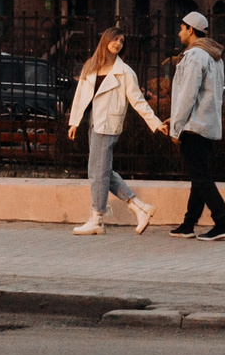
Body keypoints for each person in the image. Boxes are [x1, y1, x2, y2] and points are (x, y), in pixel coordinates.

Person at [65, 26, 164, 235]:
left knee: (97, 172)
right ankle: (139, 207)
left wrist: (155, 123)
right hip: (94, 123)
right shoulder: (90, 66)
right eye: (116, 39)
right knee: (102, 171)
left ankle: (97, 218)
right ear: (106, 40)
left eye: (122, 41)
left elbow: (139, 102)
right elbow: (80, 95)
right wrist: (74, 122)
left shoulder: (125, 72)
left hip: (109, 125)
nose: (118, 43)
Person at [164, 10, 225, 240]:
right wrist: (174, 119)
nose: (179, 32)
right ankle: (188, 224)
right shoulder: (214, 56)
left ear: (191, 30)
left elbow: (187, 95)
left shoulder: (195, 56)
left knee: (201, 178)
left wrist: (176, 127)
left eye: (182, 28)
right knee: (198, 177)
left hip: (193, 126)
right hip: (207, 124)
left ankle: (222, 222)